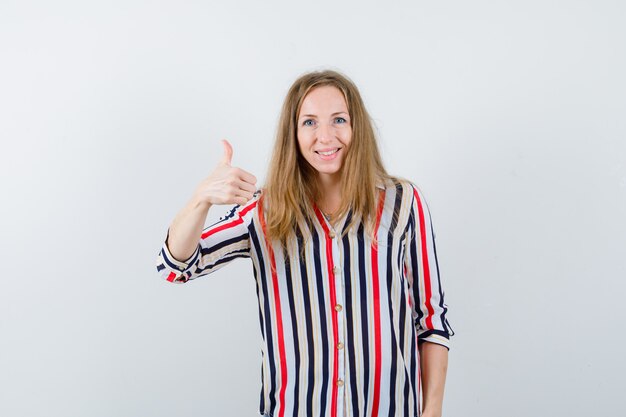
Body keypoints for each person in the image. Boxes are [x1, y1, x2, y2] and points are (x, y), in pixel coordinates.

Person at [156, 70, 453, 417]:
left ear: (357, 127)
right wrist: (200, 200)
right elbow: (176, 266)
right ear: (293, 135)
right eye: (309, 122)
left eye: (338, 120)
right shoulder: (262, 211)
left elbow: (431, 321)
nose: (325, 136)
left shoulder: (403, 203)